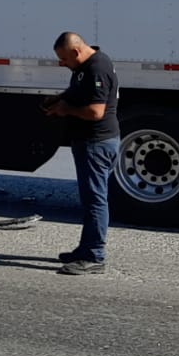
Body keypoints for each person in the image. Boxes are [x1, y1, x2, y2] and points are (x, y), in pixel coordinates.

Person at [41, 32, 120, 276]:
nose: (61, 64)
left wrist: (66, 109)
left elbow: (96, 111)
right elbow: (79, 91)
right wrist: (61, 98)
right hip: (91, 142)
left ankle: (94, 255)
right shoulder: (84, 66)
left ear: (76, 52)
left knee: (95, 200)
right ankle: (85, 249)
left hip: (97, 143)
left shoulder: (97, 68)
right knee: (90, 199)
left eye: (64, 59)